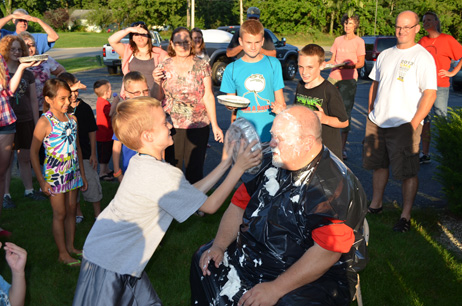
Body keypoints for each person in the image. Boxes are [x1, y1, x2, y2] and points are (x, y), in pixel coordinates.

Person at [72, 96, 261, 305]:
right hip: (110, 262)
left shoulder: (143, 162)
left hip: (119, 255)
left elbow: (188, 195)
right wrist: (238, 168)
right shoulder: (159, 173)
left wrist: (226, 163)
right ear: (148, 136)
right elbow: (209, 206)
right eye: (164, 122)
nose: (170, 125)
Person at [190, 105, 368, 305]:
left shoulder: (333, 186)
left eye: (279, 138)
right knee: (204, 261)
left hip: (317, 274)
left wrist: (276, 288)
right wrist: (219, 246)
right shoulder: (270, 161)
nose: (271, 143)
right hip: (258, 256)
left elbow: (327, 253)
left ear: (307, 143)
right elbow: (238, 206)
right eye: (272, 135)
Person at [363, 11, 437, 232]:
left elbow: (430, 94)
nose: (401, 31)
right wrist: (370, 112)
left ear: (416, 28)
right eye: (398, 26)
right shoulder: (385, 54)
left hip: (405, 124)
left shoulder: (422, 57)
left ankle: (405, 216)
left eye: (407, 27)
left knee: (408, 171)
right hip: (378, 122)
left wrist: (414, 124)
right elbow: (375, 85)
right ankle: (376, 206)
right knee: (378, 165)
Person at [155, 27, 223, 184]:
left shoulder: (202, 65)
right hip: (172, 125)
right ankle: (174, 206)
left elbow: (208, 96)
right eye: (178, 42)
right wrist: (156, 80)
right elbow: (156, 96)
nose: (183, 46)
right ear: (172, 44)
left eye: (186, 42)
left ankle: (196, 204)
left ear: (191, 43)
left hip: (199, 124)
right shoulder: (164, 65)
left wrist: (215, 125)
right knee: (173, 169)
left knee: (195, 169)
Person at [30, 79, 88, 265]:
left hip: (73, 173)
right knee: (60, 213)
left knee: (72, 210)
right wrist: (41, 181)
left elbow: (77, 148)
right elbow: (32, 152)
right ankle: (62, 253)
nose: (67, 102)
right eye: (62, 98)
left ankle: (70, 247)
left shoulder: (73, 119)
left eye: (68, 98)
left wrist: (82, 174)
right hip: (55, 175)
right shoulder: (44, 122)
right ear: (48, 99)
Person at [221, 19, 286, 144]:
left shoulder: (274, 64)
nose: (253, 47)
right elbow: (231, 103)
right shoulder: (231, 69)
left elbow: (281, 102)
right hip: (244, 136)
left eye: (257, 42)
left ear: (262, 41)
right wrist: (229, 106)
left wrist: (281, 110)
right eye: (248, 42)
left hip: (270, 134)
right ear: (240, 42)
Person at [0, 35, 45, 209]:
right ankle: (6, 194)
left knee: (25, 156)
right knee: (7, 159)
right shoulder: (3, 71)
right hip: (7, 120)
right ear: (5, 50)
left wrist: (36, 122)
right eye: (13, 49)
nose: (17, 52)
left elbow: (34, 100)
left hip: (25, 118)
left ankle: (29, 190)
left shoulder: (27, 73)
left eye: (19, 49)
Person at [0, 53, 39, 237]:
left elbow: (8, 90)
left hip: (6, 120)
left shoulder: (0, 59)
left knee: (2, 172)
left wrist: (23, 67)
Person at [417, 11, 462, 164]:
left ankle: (447, 154)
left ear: (436, 22)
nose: (426, 23)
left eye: (429, 20)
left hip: (440, 86)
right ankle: (425, 153)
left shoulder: (447, 39)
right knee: (424, 119)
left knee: (441, 119)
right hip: (423, 87)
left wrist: (453, 72)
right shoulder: (422, 41)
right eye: (424, 20)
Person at [60, 73, 102, 224]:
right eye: (71, 91)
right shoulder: (61, 111)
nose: (74, 95)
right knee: (73, 186)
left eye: (76, 91)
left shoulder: (84, 108)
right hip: (67, 156)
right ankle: (78, 213)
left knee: (91, 182)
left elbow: (92, 131)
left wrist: (93, 154)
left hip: (84, 154)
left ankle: (98, 214)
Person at [294, 44, 348, 160]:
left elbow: (344, 122)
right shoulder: (300, 85)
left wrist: (325, 119)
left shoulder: (329, 90)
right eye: (300, 67)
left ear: (322, 66)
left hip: (326, 153)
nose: (304, 72)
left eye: (310, 67)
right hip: (305, 149)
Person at [326, 13, 365, 160]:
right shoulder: (337, 40)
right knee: (326, 108)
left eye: (350, 23)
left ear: (355, 25)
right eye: (345, 23)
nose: (347, 26)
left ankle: (341, 149)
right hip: (333, 77)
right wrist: (325, 64)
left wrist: (351, 66)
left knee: (344, 112)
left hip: (348, 80)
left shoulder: (359, 41)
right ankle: (327, 145)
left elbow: (361, 62)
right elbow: (332, 59)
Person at [108, 21, 168, 97]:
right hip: (132, 99)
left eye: (142, 34)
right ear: (132, 38)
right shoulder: (128, 51)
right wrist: (129, 30)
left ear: (148, 35)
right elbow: (112, 40)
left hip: (153, 99)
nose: (140, 37)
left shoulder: (160, 53)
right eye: (136, 34)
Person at [111, 71, 149, 183]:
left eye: (145, 90)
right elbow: (117, 146)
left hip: (152, 169)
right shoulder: (124, 117)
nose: (142, 95)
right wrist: (117, 172)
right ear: (126, 93)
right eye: (137, 92)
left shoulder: (153, 112)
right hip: (130, 170)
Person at [18, 31, 65, 112]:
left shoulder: (45, 59)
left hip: (48, 106)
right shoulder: (17, 62)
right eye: (26, 46)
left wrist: (56, 88)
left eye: (32, 45)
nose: (30, 49)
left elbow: (61, 71)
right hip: (26, 108)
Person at [94, 79, 114, 180]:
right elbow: (110, 113)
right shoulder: (104, 103)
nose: (111, 90)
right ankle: (102, 172)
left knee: (107, 152)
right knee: (103, 154)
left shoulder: (101, 101)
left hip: (107, 133)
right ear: (106, 92)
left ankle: (106, 169)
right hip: (104, 134)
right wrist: (116, 101)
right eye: (110, 89)